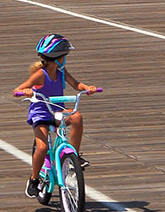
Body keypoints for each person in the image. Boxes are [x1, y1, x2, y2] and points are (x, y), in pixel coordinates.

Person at [12, 35, 101, 199]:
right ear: (58, 58)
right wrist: (25, 91)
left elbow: (75, 84)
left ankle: (74, 155)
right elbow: (18, 89)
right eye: (65, 56)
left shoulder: (61, 72)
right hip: (41, 114)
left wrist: (87, 88)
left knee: (76, 117)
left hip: (57, 111)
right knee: (42, 147)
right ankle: (33, 179)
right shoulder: (40, 75)